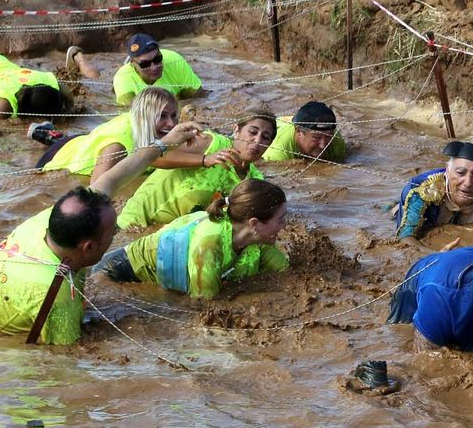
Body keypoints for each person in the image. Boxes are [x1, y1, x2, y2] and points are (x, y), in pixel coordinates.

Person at [0, 120, 204, 344]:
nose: (116, 233)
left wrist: (165, 143)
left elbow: (115, 177)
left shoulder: (48, 221)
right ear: (89, 248)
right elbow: (64, 362)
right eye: (112, 233)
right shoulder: (59, 298)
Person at [100, 179, 289, 299]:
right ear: (254, 223)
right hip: (115, 274)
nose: (285, 225)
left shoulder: (256, 238)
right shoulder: (208, 246)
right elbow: (204, 304)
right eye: (280, 220)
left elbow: (288, 275)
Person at [115, 110, 274, 231]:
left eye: (266, 137)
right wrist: (205, 160)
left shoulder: (253, 180)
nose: (257, 141)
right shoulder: (211, 143)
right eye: (252, 132)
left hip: (169, 234)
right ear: (236, 130)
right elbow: (152, 157)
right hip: (134, 223)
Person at [36, 88, 220, 181]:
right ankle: (45, 132)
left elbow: (157, 153)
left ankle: (48, 132)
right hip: (58, 159)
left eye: (173, 115)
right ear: (144, 116)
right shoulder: (118, 146)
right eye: (162, 116)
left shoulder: (144, 125)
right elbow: (96, 188)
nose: (171, 124)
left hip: (80, 141)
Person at [394, 140, 473, 239]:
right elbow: (404, 239)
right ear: (447, 170)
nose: (468, 183)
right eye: (460, 173)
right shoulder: (420, 192)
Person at [111, 33, 203, 107]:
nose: (154, 67)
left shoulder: (174, 60)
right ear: (132, 63)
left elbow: (198, 96)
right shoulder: (122, 79)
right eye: (145, 64)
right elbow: (132, 117)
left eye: (157, 59)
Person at [260, 100, 350, 163]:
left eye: (328, 137)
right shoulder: (278, 153)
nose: (323, 145)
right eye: (316, 138)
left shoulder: (336, 141)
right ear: (299, 132)